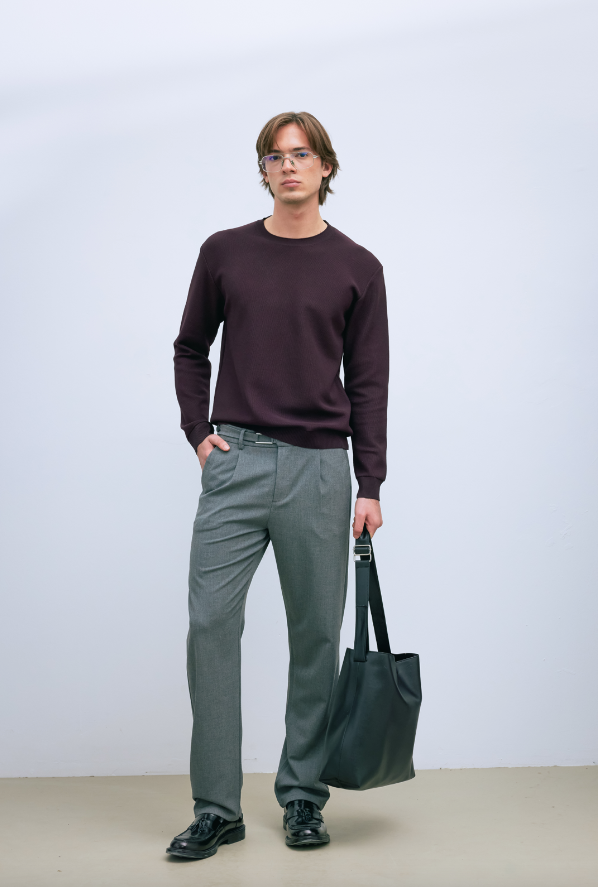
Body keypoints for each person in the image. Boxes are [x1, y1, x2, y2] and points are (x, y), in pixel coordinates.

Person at [167, 111, 389, 860]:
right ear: (262, 169)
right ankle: (216, 807)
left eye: (301, 153)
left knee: (315, 637)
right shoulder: (224, 252)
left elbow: (369, 381)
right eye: (274, 155)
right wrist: (199, 432)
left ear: (325, 166)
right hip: (237, 461)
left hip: (321, 469)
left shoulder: (358, 266)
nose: (288, 165)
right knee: (210, 627)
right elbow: (190, 347)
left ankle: (302, 797)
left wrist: (369, 481)